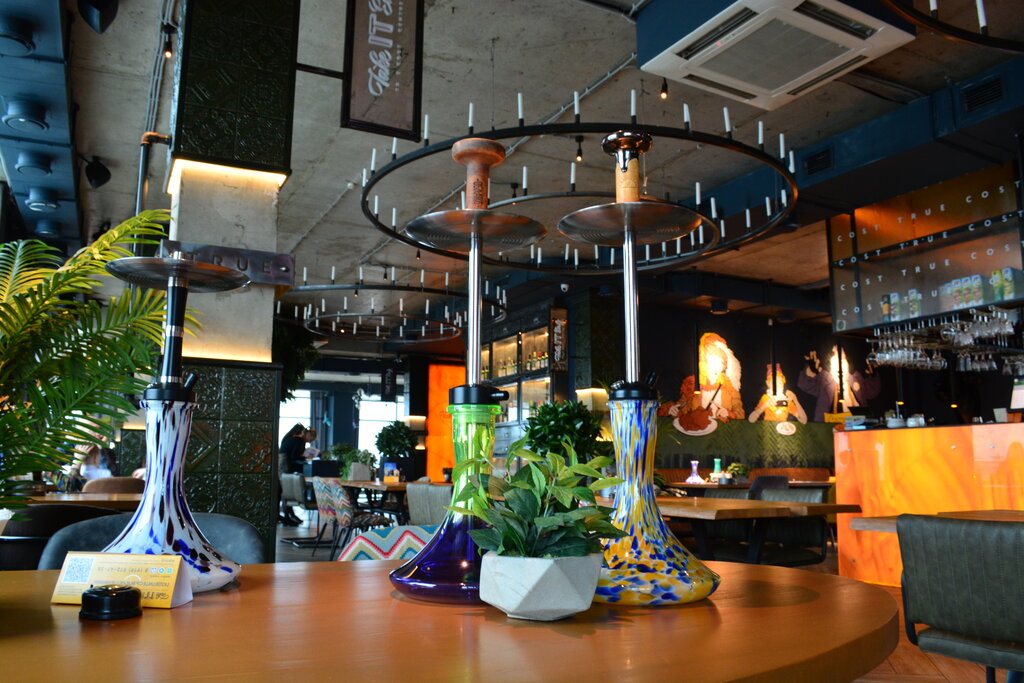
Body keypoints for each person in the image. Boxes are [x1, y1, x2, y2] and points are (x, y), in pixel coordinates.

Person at [279, 424, 316, 525]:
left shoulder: (291, 438)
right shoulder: (299, 441)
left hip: (281, 465)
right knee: (286, 490)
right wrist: (306, 458)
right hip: (285, 466)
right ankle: (288, 516)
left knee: (284, 490)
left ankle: (288, 516)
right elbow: (294, 457)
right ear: (308, 435)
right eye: (311, 438)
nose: (311, 441)